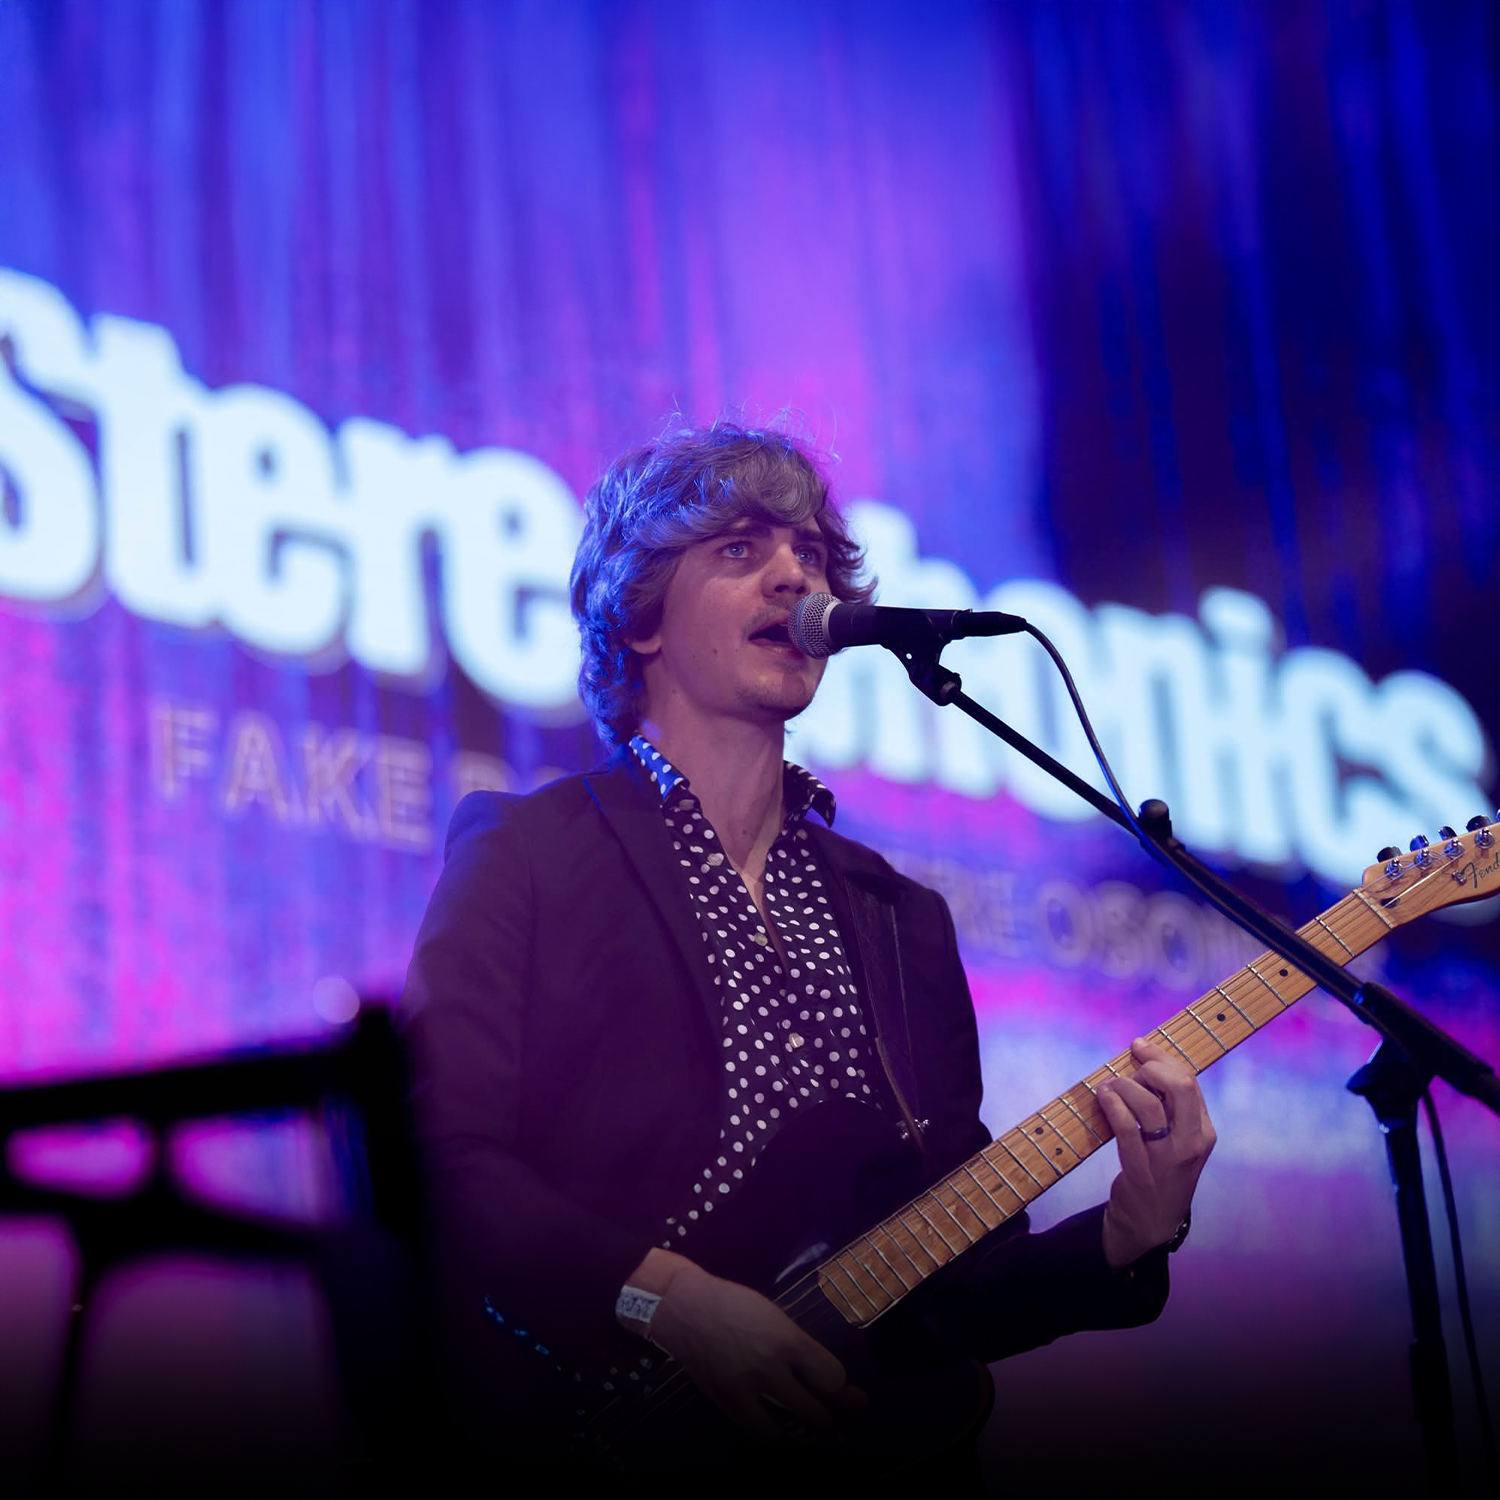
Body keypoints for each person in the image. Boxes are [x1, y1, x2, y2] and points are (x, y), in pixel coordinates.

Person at [400, 420, 1215, 1480]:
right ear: (642, 616)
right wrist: (670, 1301)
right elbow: (438, 1161)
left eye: (812, 555)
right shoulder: (529, 852)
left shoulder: (898, 916)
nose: (794, 573)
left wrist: (1129, 1231)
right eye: (740, 550)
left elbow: (954, 1282)